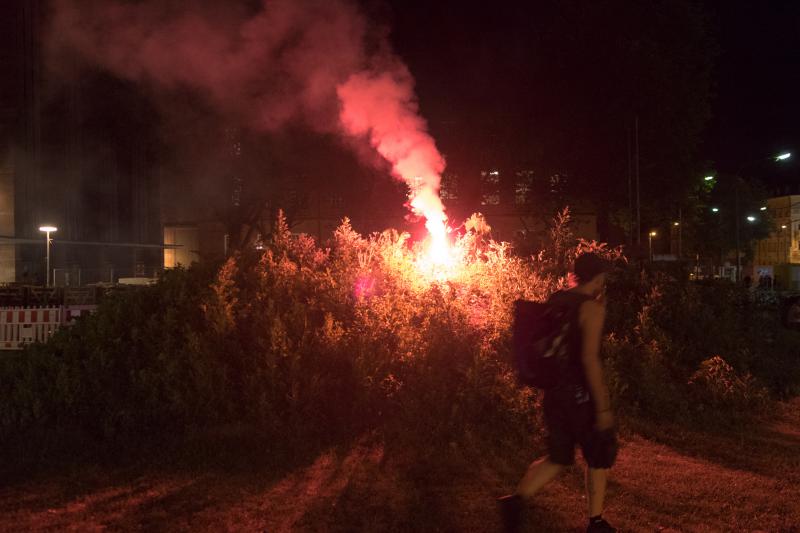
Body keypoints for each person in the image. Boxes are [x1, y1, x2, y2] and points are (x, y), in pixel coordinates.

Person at [499, 252, 618, 533]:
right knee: (599, 451)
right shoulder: (592, 309)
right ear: (599, 277)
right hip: (580, 395)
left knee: (558, 456)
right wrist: (602, 409)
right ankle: (596, 522)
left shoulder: (557, 299)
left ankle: (515, 502)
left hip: (554, 391)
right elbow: (589, 359)